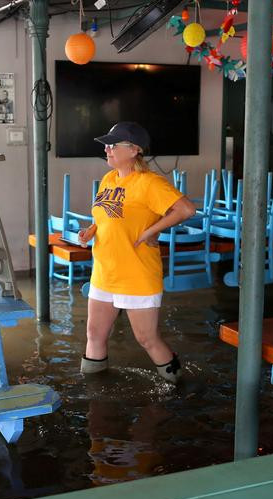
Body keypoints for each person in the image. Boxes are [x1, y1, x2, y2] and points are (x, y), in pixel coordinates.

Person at [78, 121, 196, 383]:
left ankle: (178, 385)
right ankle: (93, 394)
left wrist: (150, 231)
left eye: (113, 144)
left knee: (147, 339)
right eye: (106, 145)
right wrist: (91, 230)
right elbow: (108, 216)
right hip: (104, 272)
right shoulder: (109, 179)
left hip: (137, 274)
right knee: (94, 335)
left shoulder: (149, 183)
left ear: (134, 150)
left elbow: (186, 209)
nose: (107, 149)